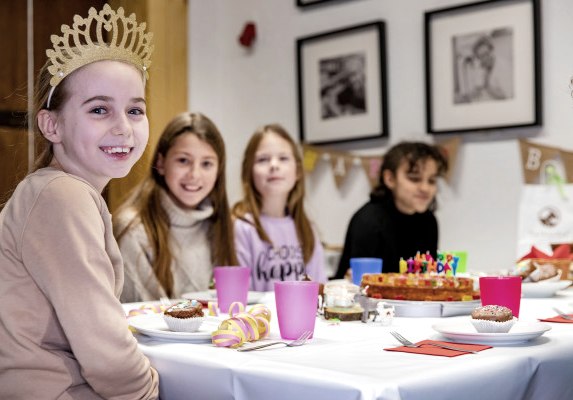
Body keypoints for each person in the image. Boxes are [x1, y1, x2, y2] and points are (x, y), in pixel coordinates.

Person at [0, 4, 159, 399]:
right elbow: (104, 351)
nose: (123, 127)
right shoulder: (61, 196)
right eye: (99, 109)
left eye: (135, 110)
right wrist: (148, 392)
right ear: (51, 125)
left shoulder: (60, 191)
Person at [114, 112, 237, 302]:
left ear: (218, 170)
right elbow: (143, 317)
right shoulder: (133, 228)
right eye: (183, 160)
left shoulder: (220, 224)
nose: (194, 174)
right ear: (161, 163)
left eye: (206, 164)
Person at [233, 124, 328, 291]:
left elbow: (318, 289)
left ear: (298, 171)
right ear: (249, 172)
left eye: (283, 158)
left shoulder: (307, 230)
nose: (274, 165)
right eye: (263, 159)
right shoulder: (241, 228)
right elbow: (239, 297)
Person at [335, 141, 448, 279]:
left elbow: (427, 277)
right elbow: (361, 283)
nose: (425, 188)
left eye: (431, 181)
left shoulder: (428, 220)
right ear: (389, 179)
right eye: (414, 178)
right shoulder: (369, 220)